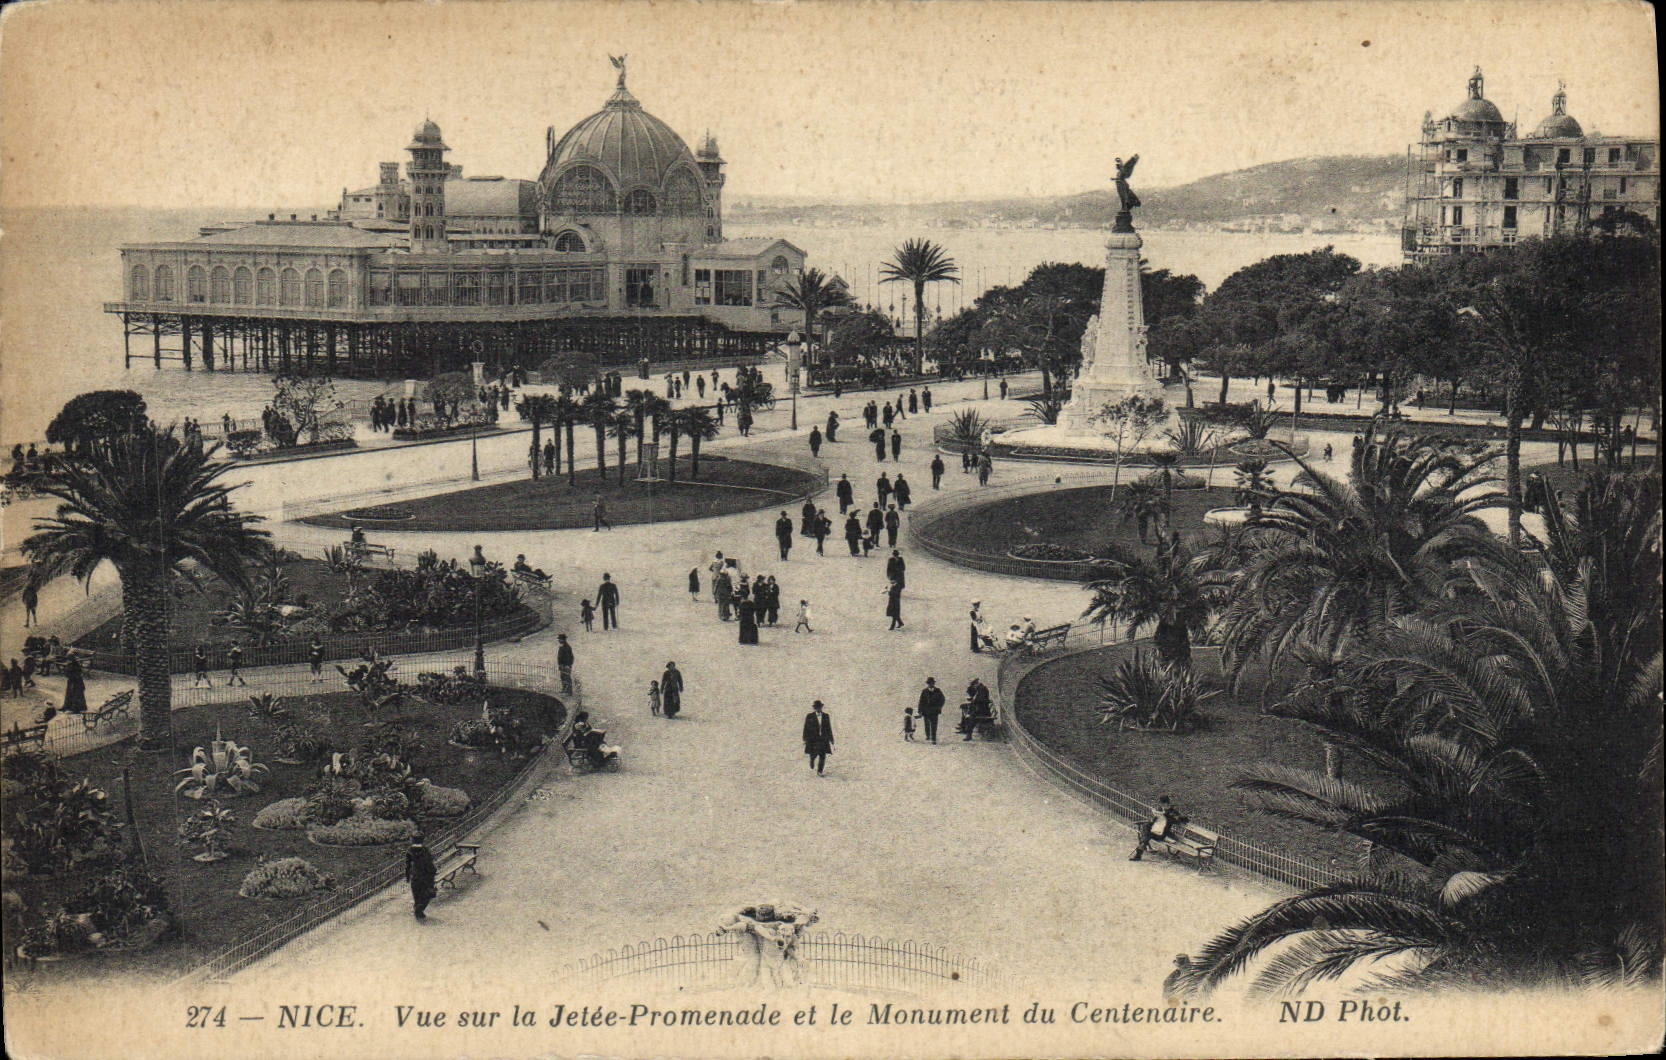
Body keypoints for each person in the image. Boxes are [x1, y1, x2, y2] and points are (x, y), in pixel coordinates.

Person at [1130, 796, 1188, 861]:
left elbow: (1184, 819)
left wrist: (1169, 816)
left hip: (1162, 834)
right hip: (1154, 830)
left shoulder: (1173, 812)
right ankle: (1141, 848)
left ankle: (1139, 852)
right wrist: (1154, 817)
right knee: (1146, 827)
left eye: (1163, 804)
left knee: (1146, 834)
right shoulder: (1160, 809)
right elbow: (1153, 821)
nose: (1161, 806)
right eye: (1161, 804)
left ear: (1167, 803)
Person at [405, 835, 438, 920]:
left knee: (416, 893)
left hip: (415, 875)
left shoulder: (409, 851)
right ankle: (420, 909)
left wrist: (407, 876)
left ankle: (418, 909)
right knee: (426, 893)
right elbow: (430, 862)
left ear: (412, 840)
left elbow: (407, 865)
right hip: (426, 875)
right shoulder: (426, 850)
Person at [802, 700, 834, 776]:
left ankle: (820, 771)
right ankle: (812, 760)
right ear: (814, 708)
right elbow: (806, 727)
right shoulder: (809, 716)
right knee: (814, 754)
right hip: (813, 739)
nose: (818, 709)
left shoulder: (826, 716)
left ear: (821, 707)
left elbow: (829, 728)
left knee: (823, 755)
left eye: (819, 707)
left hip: (823, 739)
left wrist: (831, 738)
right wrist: (805, 738)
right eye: (816, 708)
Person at [916, 678, 945, 743]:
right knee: (927, 724)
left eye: (932, 683)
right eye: (929, 683)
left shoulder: (938, 690)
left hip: (934, 711)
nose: (930, 684)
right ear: (927, 684)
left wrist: (939, 707)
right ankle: (928, 735)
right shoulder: (924, 691)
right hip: (925, 711)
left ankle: (933, 738)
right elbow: (921, 701)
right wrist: (920, 711)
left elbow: (942, 699)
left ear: (934, 683)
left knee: (934, 724)